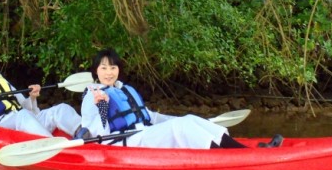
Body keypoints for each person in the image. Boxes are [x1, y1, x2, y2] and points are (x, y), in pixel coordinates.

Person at [80, 48, 283, 149]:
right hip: (124, 142)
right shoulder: (93, 96)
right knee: (181, 128)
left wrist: (179, 118)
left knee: (190, 119)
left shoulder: (123, 89)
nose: (109, 72)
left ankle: (244, 151)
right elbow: (97, 132)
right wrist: (103, 107)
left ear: (119, 70)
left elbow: (150, 117)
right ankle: (236, 158)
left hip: (144, 132)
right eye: (103, 68)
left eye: (113, 67)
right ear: (95, 71)